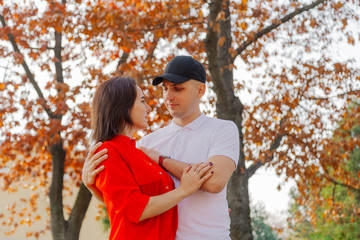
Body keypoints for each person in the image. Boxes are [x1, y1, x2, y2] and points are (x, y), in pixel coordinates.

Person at [82, 56, 240, 240]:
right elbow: (126, 204)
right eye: (165, 89)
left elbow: (214, 183)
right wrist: (93, 187)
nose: (168, 96)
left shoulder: (222, 129)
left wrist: (162, 160)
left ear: (200, 90)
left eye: (177, 88)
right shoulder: (145, 144)